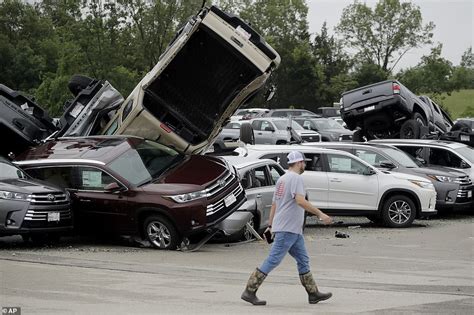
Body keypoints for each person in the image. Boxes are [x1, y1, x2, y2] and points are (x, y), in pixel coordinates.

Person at [241, 151, 333, 306]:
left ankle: (313, 293)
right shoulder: (296, 178)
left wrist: (271, 225)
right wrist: (320, 214)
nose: (305, 164)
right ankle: (249, 291)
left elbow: (275, 204)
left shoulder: (282, 179)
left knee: (303, 260)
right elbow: (300, 200)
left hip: (291, 229)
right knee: (273, 260)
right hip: (288, 228)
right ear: (298, 163)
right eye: (304, 162)